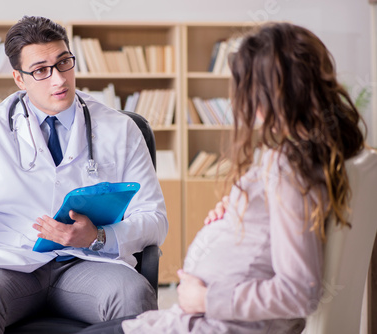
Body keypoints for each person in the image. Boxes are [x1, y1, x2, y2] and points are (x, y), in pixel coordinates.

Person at [81, 21, 367, 334]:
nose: (239, 100)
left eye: (244, 87)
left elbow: (298, 292)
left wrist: (207, 298)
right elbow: (281, 231)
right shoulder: (314, 154)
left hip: (216, 323)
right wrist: (238, 214)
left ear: (271, 92)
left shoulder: (289, 167)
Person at [0, 16, 168, 333]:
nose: (59, 80)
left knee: (132, 295)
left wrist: (98, 236)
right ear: (19, 78)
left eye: (64, 62)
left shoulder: (120, 129)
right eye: (41, 70)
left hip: (89, 264)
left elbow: (155, 219)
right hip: (9, 263)